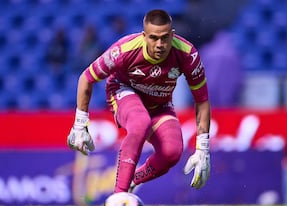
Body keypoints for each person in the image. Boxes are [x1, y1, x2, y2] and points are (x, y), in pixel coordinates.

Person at [67, 9, 211, 193]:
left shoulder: (188, 54)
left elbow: (202, 100)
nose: (160, 44)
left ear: (172, 35)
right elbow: (86, 78)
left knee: (172, 153)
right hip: (123, 91)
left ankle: (132, 181)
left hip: (160, 104)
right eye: (153, 38)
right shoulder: (124, 50)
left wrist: (203, 147)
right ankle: (119, 197)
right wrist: (80, 124)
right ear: (144, 36)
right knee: (140, 122)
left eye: (165, 37)